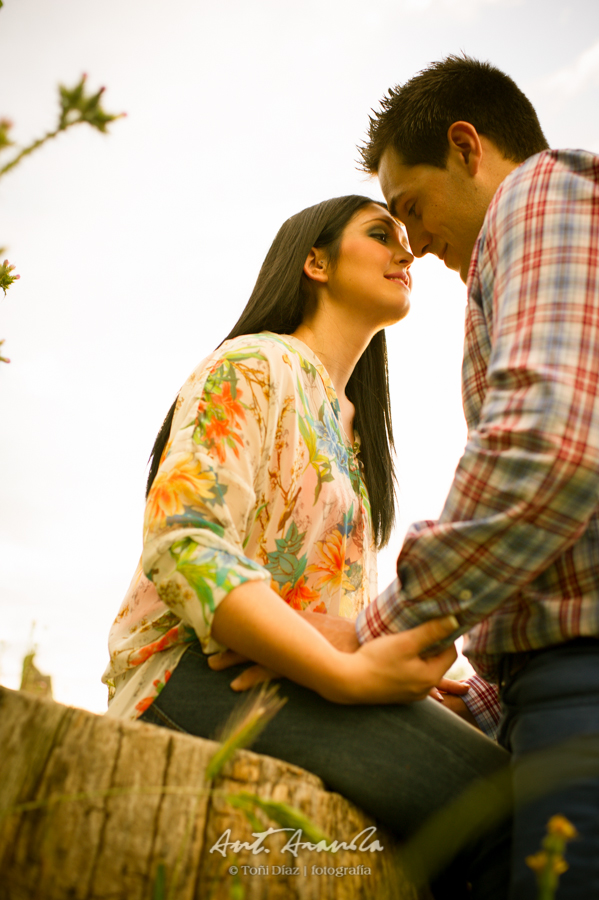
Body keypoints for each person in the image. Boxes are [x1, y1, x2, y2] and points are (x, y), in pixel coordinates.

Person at [102, 194, 511, 898]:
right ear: (314, 262)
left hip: (283, 675)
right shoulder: (253, 365)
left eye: (406, 239)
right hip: (187, 677)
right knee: (498, 812)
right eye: (380, 234)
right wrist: (341, 673)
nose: (406, 251)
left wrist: (367, 649)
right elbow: (184, 541)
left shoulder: (353, 431)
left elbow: (319, 607)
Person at [346, 55, 599, 900]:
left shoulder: (539, 196)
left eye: (408, 208)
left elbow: (546, 451)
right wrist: (488, 698)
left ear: (465, 146)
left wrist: (379, 628)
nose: (412, 243)